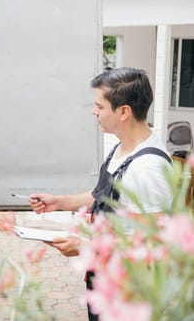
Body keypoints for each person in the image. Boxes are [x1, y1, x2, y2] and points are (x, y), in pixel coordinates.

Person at [28, 67, 172, 320]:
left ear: (124, 111)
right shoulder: (124, 148)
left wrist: (86, 248)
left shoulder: (148, 168)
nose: (94, 112)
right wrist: (59, 203)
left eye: (100, 106)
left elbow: (152, 245)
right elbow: (103, 196)